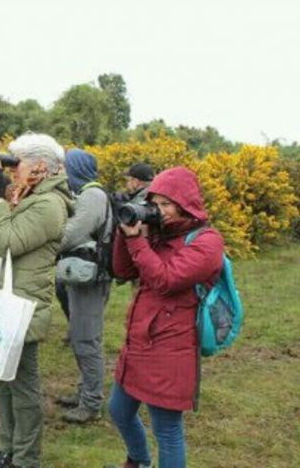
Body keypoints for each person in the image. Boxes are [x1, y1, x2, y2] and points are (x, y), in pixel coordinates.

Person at [0, 133, 71, 468]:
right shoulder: (24, 194)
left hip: (23, 308)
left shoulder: (49, 204)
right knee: (1, 379)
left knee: (23, 387)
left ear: (41, 166)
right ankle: (7, 449)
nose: (11, 170)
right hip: (2, 302)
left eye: (17, 162)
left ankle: (26, 459)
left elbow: (8, 239)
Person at [108, 167, 224, 468]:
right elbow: (122, 271)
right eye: (153, 203)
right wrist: (125, 232)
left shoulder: (208, 242)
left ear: (184, 204)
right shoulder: (158, 234)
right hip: (139, 340)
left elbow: (166, 280)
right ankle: (139, 461)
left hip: (172, 345)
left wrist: (138, 242)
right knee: (119, 410)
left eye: (164, 204)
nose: (156, 211)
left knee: (167, 430)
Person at [57, 148, 114, 423]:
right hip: (80, 275)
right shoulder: (86, 194)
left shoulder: (92, 195)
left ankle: (91, 403)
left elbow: (69, 235)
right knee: (83, 336)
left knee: (86, 339)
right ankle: (84, 392)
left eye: (65, 166)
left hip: (90, 279)